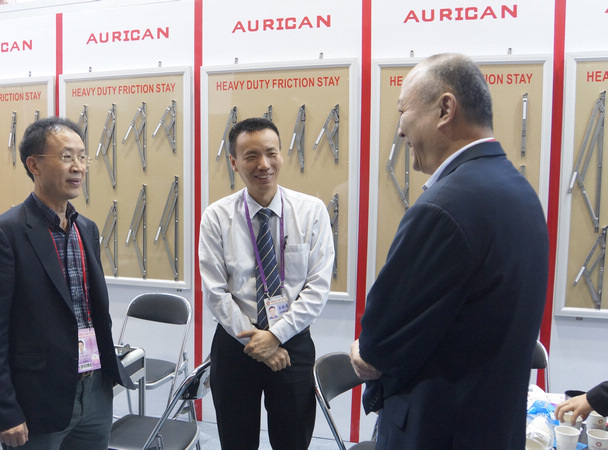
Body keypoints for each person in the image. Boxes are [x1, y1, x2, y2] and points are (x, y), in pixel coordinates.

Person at [350, 53, 549, 449]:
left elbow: (374, 353)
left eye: (403, 111)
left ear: (445, 109)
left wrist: (363, 349)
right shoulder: (519, 191)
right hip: (492, 428)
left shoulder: (443, 208)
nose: (400, 130)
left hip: (437, 432)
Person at [0, 117, 132, 449]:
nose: (78, 167)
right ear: (34, 165)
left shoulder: (86, 229)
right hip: (37, 398)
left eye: (83, 157)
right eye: (66, 156)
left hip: (95, 390)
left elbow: (92, 311)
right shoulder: (4, 234)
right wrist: (4, 411)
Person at [199, 117, 334, 449]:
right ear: (234, 162)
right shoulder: (216, 216)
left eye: (271, 153)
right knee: (236, 441)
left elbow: (317, 287)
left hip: (291, 344)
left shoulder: (311, 211)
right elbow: (215, 292)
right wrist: (256, 342)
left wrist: (275, 336)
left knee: (293, 441)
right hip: (236, 343)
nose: (264, 164)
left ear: (281, 155)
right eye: (251, 156)